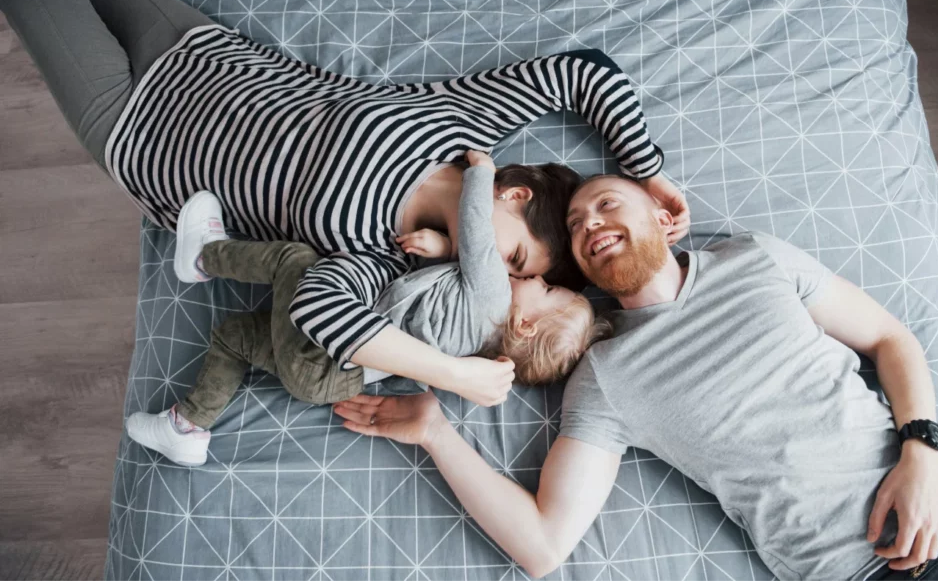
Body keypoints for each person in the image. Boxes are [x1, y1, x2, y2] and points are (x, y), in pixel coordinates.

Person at [0, 0, 689, 402]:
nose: (493, 275)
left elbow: (318, 311)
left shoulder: (384, 262)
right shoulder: (461, 127)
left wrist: (453, 374)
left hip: (141, 136)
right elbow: (583, 72)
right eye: (512, 255)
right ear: (512, 195)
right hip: (203, 54)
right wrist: (649, 174)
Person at [335, 175, 938, 581]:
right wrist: (436, 433)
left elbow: (888, 337)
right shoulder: (605, 376)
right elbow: (544, 546)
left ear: (664, 215)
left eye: (607, 204)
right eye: (575, 226)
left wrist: (923, 452)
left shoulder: (754, 256)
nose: (590, 224)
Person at [125, 152, 608, 466]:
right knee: (235, 335)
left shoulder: (494, 298)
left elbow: (478, 230)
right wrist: (441, 246)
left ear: (523, 323)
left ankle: (204, 256)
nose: (535, 279)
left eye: (545, 290)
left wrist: (482, 170)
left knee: (296, 259)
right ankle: (187, 426)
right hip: (327, 380)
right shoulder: (477, 352)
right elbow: (446, 292)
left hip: (324, 348)